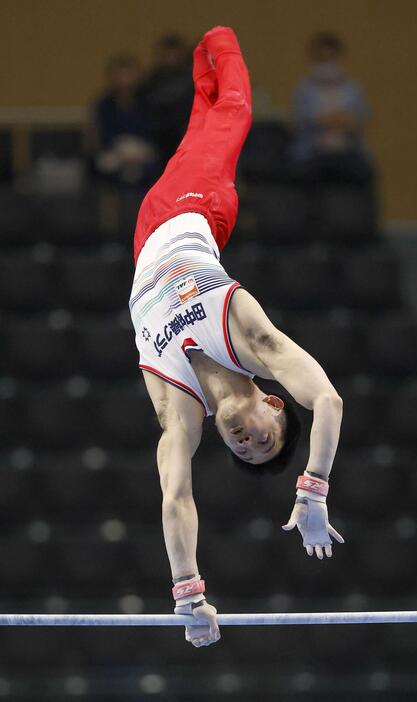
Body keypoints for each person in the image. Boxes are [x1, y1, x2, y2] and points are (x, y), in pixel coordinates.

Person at [129, 27, 344, 649]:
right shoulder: (250, 340)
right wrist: (313, 488)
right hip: (197, 209)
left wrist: (188, 591)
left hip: (145, 239)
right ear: (272, 402)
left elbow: (175, 497)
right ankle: (218, 40)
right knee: (233, 114)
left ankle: (204, 61)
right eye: (262, 437)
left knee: (206, 124)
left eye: (243, 451)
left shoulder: (179, 410)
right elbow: (327, 399)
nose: (245, 441)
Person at [291, 32, 374, 184]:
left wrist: (345, 121)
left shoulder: (353, 89)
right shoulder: (304, 89)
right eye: (322, 59)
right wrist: (325, 121)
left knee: (364, 170)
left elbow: (363, 119)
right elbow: (299, 121)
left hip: (349, 152)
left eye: (331, 59)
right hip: (313, 153)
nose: (327, 65)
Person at [90, 53, 160, 186]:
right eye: (119, 76)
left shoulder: (149, 103)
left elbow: (155, 136)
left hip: (144, 158)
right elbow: (99, 139)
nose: (124, 81)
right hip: (113, 157)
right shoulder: (103, 105)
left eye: (129, 75)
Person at [138, 33, 194, 162]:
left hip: (185, 136)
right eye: (167, 55)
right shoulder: (149, 83)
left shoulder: (194, 81)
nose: (171, 59)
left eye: (175, 55)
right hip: (156, 138)